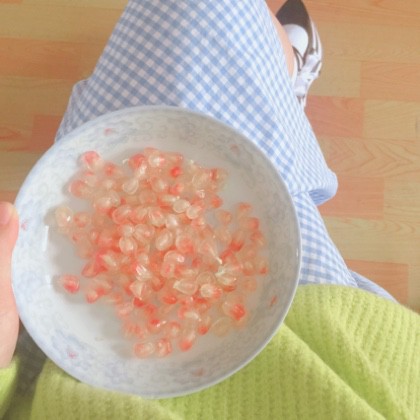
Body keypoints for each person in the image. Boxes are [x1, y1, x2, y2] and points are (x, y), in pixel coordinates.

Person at [1, 1, 418, 418]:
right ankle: (283, 91)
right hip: (338, 343)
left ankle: (282, 88)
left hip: (54, 378)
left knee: (195, 10)